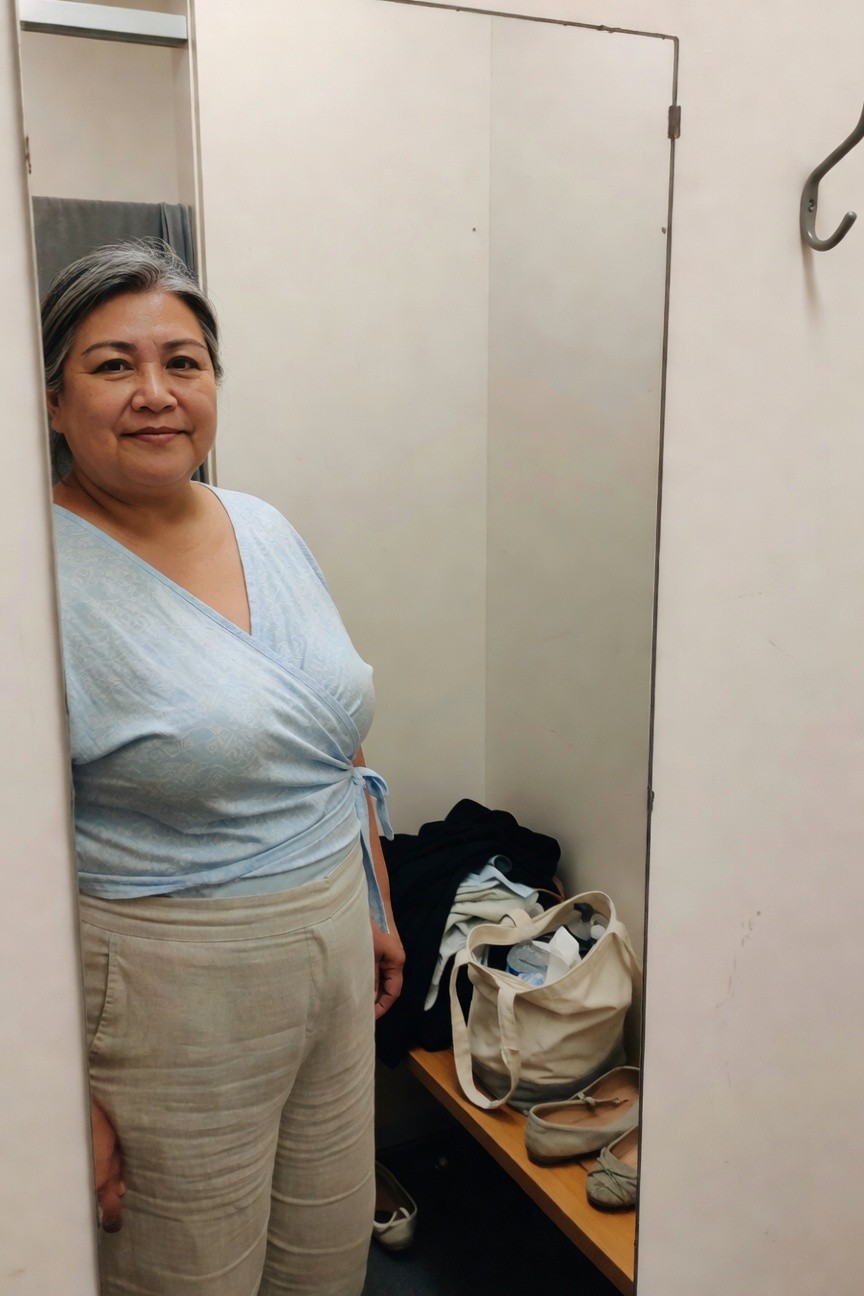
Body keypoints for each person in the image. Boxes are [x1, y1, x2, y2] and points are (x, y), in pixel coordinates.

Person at [42, 239, 404, 1296]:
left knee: (324, 1253)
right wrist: (57, 1090)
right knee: (187, 1274)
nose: (155, 394)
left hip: (332, 940)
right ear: (53, 400)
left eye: (184, 362)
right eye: (113, 366)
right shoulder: (34, 576)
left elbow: (335, 733)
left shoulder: (264, 524)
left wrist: (373, 895)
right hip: (164, 989)